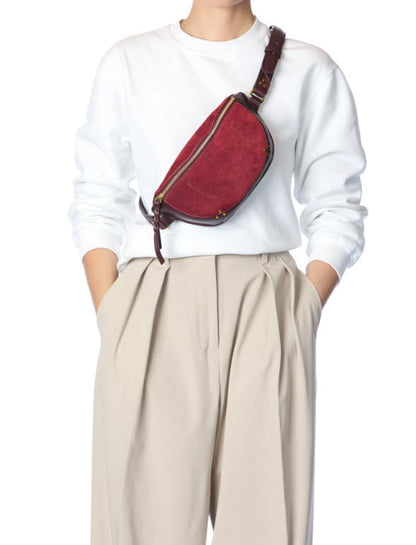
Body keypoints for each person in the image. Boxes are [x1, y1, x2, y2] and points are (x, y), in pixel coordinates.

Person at [67, 2, 368, 545]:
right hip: (154, 300)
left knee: (267, 525)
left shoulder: (309, 68)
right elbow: (97, 196)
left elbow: (337, 204)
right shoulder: (130, 61)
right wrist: (114, 315)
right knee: (140, 526)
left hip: (267, 303)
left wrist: (303, 309)